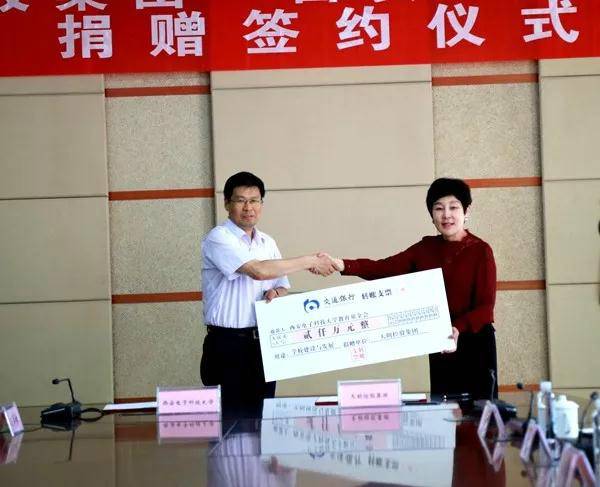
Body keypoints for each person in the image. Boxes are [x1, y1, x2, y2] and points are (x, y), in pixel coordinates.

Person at [326, 178, 498, 400]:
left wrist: (457, 328)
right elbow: (384, 268)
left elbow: (485, 308)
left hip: (474, 343)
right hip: (440, 342)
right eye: (439, 208)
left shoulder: (481, 250)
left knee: (479, 413)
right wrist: (342, 264)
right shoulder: (426, 248)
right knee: (445, 412)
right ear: (431, 215)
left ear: (466, 211)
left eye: (453, 207)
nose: (446, 215)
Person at [200, 171, 336, 415]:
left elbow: (281, 285)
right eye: (241, 200)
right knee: (228, 422)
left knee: (262, 419)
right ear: (227, 203)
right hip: (227, 345)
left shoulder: (267, 242)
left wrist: (277, 293)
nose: (248, 207)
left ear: (261, 204)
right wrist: (311, 261)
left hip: (263, 344)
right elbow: (259, 271)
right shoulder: (218, 238)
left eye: (254, 200)